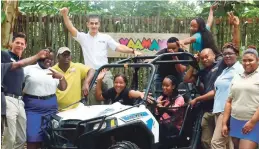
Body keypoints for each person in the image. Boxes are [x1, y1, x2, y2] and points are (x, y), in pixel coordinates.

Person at [60, 7, 142, 105]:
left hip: (105, 72)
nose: (94, 25)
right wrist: (65, 15)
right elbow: (71, 28)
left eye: (96, 23)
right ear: (87, 24)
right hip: (91, 74)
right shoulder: (83, 37)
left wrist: (133, 51)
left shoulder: (105, 37)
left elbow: (118, 47)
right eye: (91, 23)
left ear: (99, 24)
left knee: (112, 101)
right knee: (94, 102)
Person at [1, 32, 49, 149]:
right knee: (10, 138)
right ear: (11, 43)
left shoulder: (21, 62)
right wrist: (37, 56)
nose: (19, 45)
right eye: (17, 42)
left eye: (22, 44)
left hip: (19, 102)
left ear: (25, 46)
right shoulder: (4, 55)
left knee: (21, 139)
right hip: (8, 100)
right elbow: (17, 65)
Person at [23, 49, 67, 149]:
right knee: (33, 138)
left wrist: (62, 78)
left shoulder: (54, 71)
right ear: (39, 56)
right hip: (32, 108)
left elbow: (63, 88)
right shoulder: (28, 69)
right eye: (46, 58)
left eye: (51, 59)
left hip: (51, 109)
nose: (48, 61)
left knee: (50, 137)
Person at [184, 48, 227, 149]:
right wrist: (193, 64)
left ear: (213, 56)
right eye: (202, 58)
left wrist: (198, 99)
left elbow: (214, 92)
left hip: (220, 110)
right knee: (205, 139)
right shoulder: (202, 72)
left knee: (220, 140)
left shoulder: (221, 65)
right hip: (207, 110)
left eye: (207, 56)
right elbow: (187, 79)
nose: (204, 60)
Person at [222, 49, 259, 149]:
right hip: (235, 121)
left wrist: (252, 122)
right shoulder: (237, 76)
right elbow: (229, 101)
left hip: (254, 121)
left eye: (250, 60)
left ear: (257, 60)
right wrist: (224, 123)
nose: (247, 63)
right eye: (244, 60)